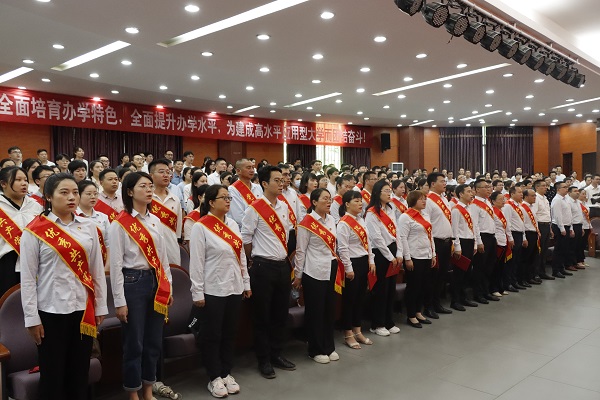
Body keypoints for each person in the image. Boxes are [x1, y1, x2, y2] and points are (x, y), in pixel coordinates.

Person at [20, 173, 107, 399]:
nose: (72, 197)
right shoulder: (34, 230)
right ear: (48, 196)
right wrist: (32, 318)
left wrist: (100, 306)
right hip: (50, 312)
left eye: (75, 192)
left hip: (83, 310)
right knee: (53, 375)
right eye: (64, 192)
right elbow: (27, 279)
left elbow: (97, 270)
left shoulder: (88, 227)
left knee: (79, 372)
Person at [109, 172, 173, 400]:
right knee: (134, 342)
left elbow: (163, 258)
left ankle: (148, 389)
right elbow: (116, 265)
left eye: (150, 186)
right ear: (129, 191)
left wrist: (168, 286)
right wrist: (119, 301)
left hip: (156, 281)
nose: (149, 190)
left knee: (153, 341)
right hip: (132, 282)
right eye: (143, 186)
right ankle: (133, 393)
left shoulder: (155, 220)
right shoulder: (119, 224)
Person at [189, 184, 251, 397]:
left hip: (234, 287)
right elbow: (196, 262)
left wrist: (246, 283)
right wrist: (197, 292)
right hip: (213, 288)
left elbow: (241, 256)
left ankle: (226, 372)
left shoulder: (232, 224)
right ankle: (214, 376)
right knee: (212, 334)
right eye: (223, 197)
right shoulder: (201, 227)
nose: (227, 201)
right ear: (211, 202)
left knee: (229, 333)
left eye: (229, 198)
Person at [241, 166, 295, 379]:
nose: (281, 183)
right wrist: (253, 260)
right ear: (264, 183)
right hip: (262, 267)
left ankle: (276, 354)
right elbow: (246, 238)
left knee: (280, 314)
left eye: (282, 180)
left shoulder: (283, 206)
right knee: (262, 316)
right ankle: (263, 359)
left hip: (282, 266)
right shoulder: (254, 208)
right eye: (277, 180)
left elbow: (287, 235)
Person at [293, 188, 340, 363]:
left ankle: (329, 346)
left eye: (330, 199)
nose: (329, 202)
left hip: (330, 268)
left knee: (329, 310)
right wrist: (298, 275)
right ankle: (315, 349)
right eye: (325, 199)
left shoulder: (331, 220)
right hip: (313, 271)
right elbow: (301, 251)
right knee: (316, 311)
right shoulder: (306, 223)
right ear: (314, 202)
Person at [337, 190, 375, 349]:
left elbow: (368, 242)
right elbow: (342, 248)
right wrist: (348, 268)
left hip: (363, 261)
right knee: (350, 300)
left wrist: (371, 260)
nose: (360, 204)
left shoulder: (361, 220)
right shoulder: (344, 223)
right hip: (351, 264)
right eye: (356, 201)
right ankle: (348, 333)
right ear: (347, 204)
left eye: (361, 201)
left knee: (360, 298)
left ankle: (357, 330)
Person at [365, 180, 402, 336]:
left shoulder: (390, 209)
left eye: (389, 190)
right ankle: (377, 324)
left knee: (391, 289)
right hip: (380, 253)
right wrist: (389, 256)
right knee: (381, 290)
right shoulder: (371, 213)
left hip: (392, 250)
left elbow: (397, 231)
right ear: (377, 193)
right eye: (386, 191)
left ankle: (388, 321)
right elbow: (376, 238)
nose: (389, 193)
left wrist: (399, 253)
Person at [0, 167, 44, 297]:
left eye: (25, 180)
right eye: (18, 180)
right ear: (3, 184)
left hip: (34, 261)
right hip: (6, 263)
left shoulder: (36, 206)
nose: (24, 183)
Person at [399, 190, 436, 328]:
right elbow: (403, 238)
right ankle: (411, 315)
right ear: (413, 200)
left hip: (426, 254)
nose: (424, 201)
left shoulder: (425, 215)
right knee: (413, 286)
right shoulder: (405, 217)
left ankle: (418, 311)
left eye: (425, 199)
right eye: (421, 199)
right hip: (414, 255)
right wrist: (407, 258)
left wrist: (433, 254)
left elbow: (430, 235)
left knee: (423, 285)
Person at [422, 172, 453, 318]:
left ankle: (437, 303)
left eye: (445, 181)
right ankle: (428, 307)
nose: (445, 183)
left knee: (442, 276)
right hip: (435, 242)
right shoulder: (428, 201)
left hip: (447, 242)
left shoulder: (444, 199)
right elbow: (426, 224)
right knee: (432, 277)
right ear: (433, 184)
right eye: (442, 181)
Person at [450, 184, 479, 311]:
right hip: (461, 242)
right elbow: (454, 230)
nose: (471, 193)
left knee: (467, 272)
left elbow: (474, 227)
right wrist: (457, 246)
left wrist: (475, 243)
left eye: (471, 191)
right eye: (468, 191)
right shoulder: (456, 210)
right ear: (461, 194)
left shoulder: (470, 208)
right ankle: (455, 300)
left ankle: (464, 297)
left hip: (470, 241)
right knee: (459, 273)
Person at [149, 159, 183, 266]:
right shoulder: (145, 199)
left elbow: (177, 231)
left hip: (171, 251)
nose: (166, 175)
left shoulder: (175, 199)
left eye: (168, 172)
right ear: (151, 176)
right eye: (161, 172)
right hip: (150, 251)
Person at [470, 180, 498, 303]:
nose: (488, 189)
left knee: (489, 266)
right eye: (485, 187)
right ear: (477, 190)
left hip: (491, 236)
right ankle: (478, 293)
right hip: (482, 237)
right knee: (480, 267)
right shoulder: (474, 204)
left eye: (489, 187)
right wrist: (479, 241)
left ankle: (486, 291)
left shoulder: (487, 202)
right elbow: (475, 224)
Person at [77, 180, 110, 270]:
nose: (93, 197)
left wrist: (107, 265)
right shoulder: (72, 216)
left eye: (95, 194)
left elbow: (108, 242)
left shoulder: (103, 217)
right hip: (79, 262)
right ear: (78, 195)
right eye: (88, 194)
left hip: (101, 262)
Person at [503, 186, 527, 292]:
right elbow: (507, 223)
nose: (521, 194)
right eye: (519, 192)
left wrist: (524, 237)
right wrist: (510, 238)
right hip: (513, 234)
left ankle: (514, 281)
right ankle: (508, 283)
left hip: (519, 234)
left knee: (517, 260)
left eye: (522, 192)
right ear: (512, 194)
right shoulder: (508, 205)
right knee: (511, 261)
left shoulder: (518, 205)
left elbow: (521, 223)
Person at [490, 191, 513, 297]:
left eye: (503, 199)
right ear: (493, 201)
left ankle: (500, 287)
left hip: (504, 240)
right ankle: (494, 288)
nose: (503, 201)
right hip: (497, 241)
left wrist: (510, 238)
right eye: (500, 199)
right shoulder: (492, 212)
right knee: (495, 266)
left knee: (502, 266)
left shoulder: (502, 211)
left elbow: (506, 226)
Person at [228, 158, 263, 228]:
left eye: (253, 167)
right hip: (243, 229)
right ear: (238, 171)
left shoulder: (258, 187)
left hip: (260, 228)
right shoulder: (232, 190)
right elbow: (238, 216)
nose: (252, 170)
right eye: (248, 168)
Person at [550, 182, 573, 278]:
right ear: (558, 189)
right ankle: (556, 270)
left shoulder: (566, 199)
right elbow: (557, 215)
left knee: (564, 249)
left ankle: (561, 268)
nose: (567, 189)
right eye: (564, 187)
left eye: (567, 187)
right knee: (558, 249)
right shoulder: (557, 200)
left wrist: (570, 228)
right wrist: (562, 228)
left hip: (567, 226)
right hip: (559, 227)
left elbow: (569, 214)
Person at [534, 179, 555, 280]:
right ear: (537, 187)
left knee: (544, 250)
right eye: (543, 186)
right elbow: (534, 215)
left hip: (546, 225)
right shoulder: (535, 198)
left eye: (546, 186)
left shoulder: (545, 198)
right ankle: (536, 272)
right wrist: (537, 229)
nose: (545, 187)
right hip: (539, 225)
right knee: (538, 250)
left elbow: (547, 214)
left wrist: (550, 228)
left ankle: (542, 272)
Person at [521, 189, 541, 285]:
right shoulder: (522, 207)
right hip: (527, 233)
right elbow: (523, 223)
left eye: (535, 195)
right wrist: (524, 237)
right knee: (526, 257)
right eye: (533, 195)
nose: (535, 197)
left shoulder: (532, 207)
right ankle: (523, 278)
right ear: (526, 197)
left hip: (534, 233)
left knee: (533, 257)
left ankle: (530, 276)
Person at [567, 186, 584, 271]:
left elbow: (580, 215)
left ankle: (575, 262)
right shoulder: (568, 202)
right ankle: (569, 263)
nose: (577, 192)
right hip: (573, 225)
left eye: (578, 191)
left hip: (579, 225)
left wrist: (582, 227)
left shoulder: (578, 202)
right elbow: (569, 216)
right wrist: (571, 229)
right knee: (571, 246)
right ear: (569, 193)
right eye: (575, 191)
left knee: (577, 246)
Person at [578, 189, 591, 268]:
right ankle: (579, 260)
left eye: (585, 194)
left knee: (583, 244)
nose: (584, 195)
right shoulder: (578, 203)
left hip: (587, 225)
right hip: (581, 225)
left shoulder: (585, 204)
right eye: (582, 194)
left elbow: (587, 216)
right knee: (579, 244)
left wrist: (590, 225)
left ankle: (582, 260)